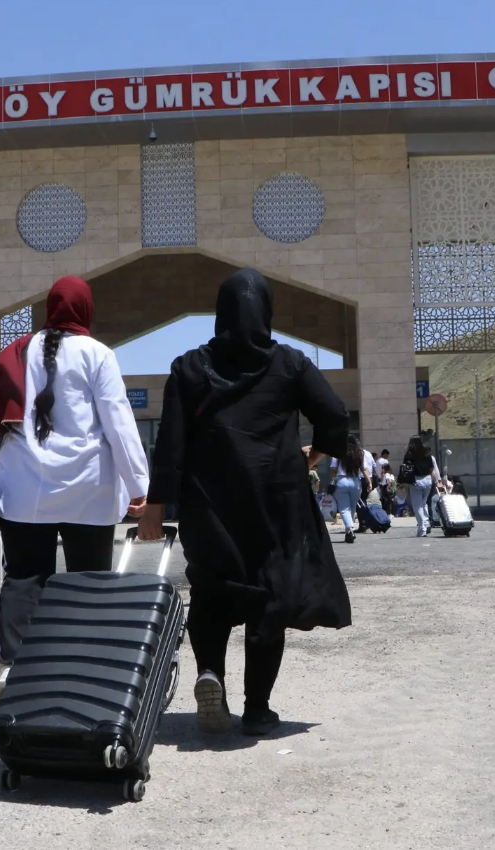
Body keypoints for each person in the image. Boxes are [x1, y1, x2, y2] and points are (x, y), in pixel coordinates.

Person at [139, 268, 352, 737]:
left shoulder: (189, 367)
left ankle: (210, 675)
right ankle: (257, 709)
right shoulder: (290, 363)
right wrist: (317, 451)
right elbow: (335, 414)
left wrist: (156, 506)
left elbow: (170, 443)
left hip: (208, 505)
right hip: (274, 505)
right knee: (267, 598)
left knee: (211, 591)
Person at [0, 276, 149, 707]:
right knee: (89, 583)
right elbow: (118, 422)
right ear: (85, 309)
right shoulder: (97, 354)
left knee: (24, 578)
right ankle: (84, 672)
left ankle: (12, 669)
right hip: (87, 491)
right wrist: (139, 486)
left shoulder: (19, 350)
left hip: (26, 491)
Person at [330, 434, 369, 544]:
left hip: (341, 481)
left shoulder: (337, 452)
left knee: (344, 508)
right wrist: (369, 481)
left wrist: (332, 480)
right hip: (355, 481)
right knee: (352, 507)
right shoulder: (359, 453)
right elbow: (363, 468)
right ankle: (349, 530)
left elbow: (333, 469)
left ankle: (350, 529)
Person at [401, 435, 442, 537]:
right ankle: (426, 523)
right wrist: (437, 481)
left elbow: (405, 469)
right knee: (424, 503)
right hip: (427, 480)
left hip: (416, 481)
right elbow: (431, 470)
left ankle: (422, 527)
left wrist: (403, 483)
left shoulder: (409, 454)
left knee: (417, 506)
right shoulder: (427, 453)